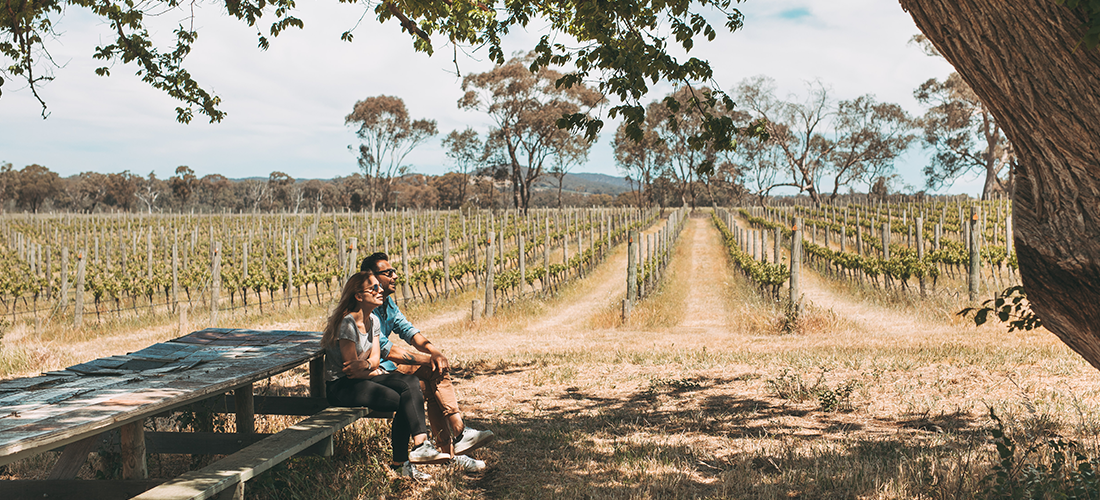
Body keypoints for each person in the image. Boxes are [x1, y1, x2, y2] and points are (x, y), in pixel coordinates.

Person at [360, 252, 494, 472]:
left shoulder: (387, 303)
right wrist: (429, 359)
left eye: (394, 271)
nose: (395, 276)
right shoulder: (366, 306)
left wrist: (434, 351)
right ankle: (453, 443)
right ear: (372, 278)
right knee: (426, 380)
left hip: (387, 365)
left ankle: (454, 443)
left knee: (435, 373)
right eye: (388, 272)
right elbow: (388, 351)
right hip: (373, 370)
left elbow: (408, 330)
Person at [322, 271, 449, 480]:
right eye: (374, 287)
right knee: (404, 400)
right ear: (358, 296)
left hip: (365, 377)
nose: (380, 290)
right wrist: (369, 367)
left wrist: (369, 367)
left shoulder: (373, 320)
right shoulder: (348, 324)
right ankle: (402, 462)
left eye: (378, 287)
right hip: (341, 387)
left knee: (411, 383)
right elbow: (351, 369)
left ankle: (420, 445)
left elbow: (373, 359)